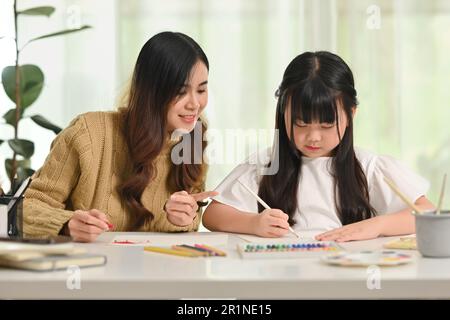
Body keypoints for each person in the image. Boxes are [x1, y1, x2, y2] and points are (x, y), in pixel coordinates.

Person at [203, 51, 435, 242]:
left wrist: (377, 225)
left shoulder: (369, 167)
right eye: (301, 123)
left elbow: (426, 211)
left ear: (351, 114)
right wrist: (253, 223)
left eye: (326, 125)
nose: (313, 137)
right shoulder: (265, 165)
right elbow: (213, 215)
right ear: (284, 113)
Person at [23, 31, 217, 242]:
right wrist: (66, 224)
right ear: (152, 92)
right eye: (181, 91)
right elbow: (26, 207)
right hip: (89, 271)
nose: (195, 104)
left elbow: (188, 226)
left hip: (160, 270)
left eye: (201, 90)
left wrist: (184, 218)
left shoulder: (194, 140)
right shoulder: (88, 133)